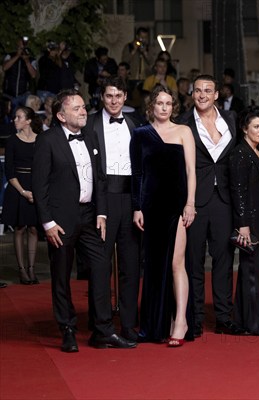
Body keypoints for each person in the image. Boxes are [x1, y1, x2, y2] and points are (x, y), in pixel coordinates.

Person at [32, 89, 136, 352]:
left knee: (102, 268)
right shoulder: (48, 141)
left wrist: (101, 212)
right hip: (61, 221)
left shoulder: (90, 136)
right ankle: (66, 328)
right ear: (60, 115)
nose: (82, 111)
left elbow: (99, 179)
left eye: (82, 107)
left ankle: (102, 331)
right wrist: (47, 223)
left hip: (90, 217)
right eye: (76, 108)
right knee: (61, 275)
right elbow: (39, 185)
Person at [131, 86, 196, 346]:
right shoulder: (140, 134)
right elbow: (137, 174)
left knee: (176, 263)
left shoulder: (184, 131)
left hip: (177, 206)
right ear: (152, 106)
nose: (164, 107)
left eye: (169, 103)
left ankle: (180, 320)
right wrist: (137, 207)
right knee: (155, 267)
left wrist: (190, 203)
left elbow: (191, 170)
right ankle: (156, 324)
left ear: (174, 107)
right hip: (150, 207)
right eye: (160, 103)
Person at [177, 74, 238, 337]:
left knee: (224, 260)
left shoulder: (232, 121)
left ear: (216, 95)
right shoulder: (183, 124)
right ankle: (195, 318)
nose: (202, 95)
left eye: (208, 90)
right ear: (193, 95)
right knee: (194, 262)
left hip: (225, 199)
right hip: (194, 201)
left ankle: (224, 317)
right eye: (198, 90)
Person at [87, 77, 143, 341]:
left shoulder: (135, 124)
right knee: (100, 265)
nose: (113, 101)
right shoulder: (90, 124)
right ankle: (101, 324)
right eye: (109, 96)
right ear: (102, 97)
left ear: (124, 97)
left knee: (130, 266)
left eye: (118, 96)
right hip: (102, 199)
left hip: (130, 199)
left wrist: (139, 204)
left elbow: (142, 168)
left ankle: (129, 324)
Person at [229, 105, 259, 336]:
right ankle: (253, 324)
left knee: (251, 271)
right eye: (256, 126)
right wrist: (243, 224)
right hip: (250, 222)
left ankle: (241, 322)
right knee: (252, 272)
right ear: (244, 129)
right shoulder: (240, 153)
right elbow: (238, 191)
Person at [2, 107, 42, 284]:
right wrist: (24, 192)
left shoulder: (40, 140)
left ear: (28, 120)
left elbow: (44, 167)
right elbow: (9, 171)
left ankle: (32, 269)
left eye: (18, 117)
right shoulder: (12, 141)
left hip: (36, 187)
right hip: (18, 188)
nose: (14, 120)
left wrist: (37, 191)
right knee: (19, 228)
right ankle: (22, 270)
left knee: (33, 228)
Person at [2, 37, 37, 111]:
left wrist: (27, 61)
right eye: (20, 43)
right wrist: (17, 56)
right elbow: (5, 67)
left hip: (24, 94)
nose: (22, 46)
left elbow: (33, 75)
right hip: (9, 94)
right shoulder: (10, 55)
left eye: (24, 43)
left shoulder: (31, 59)